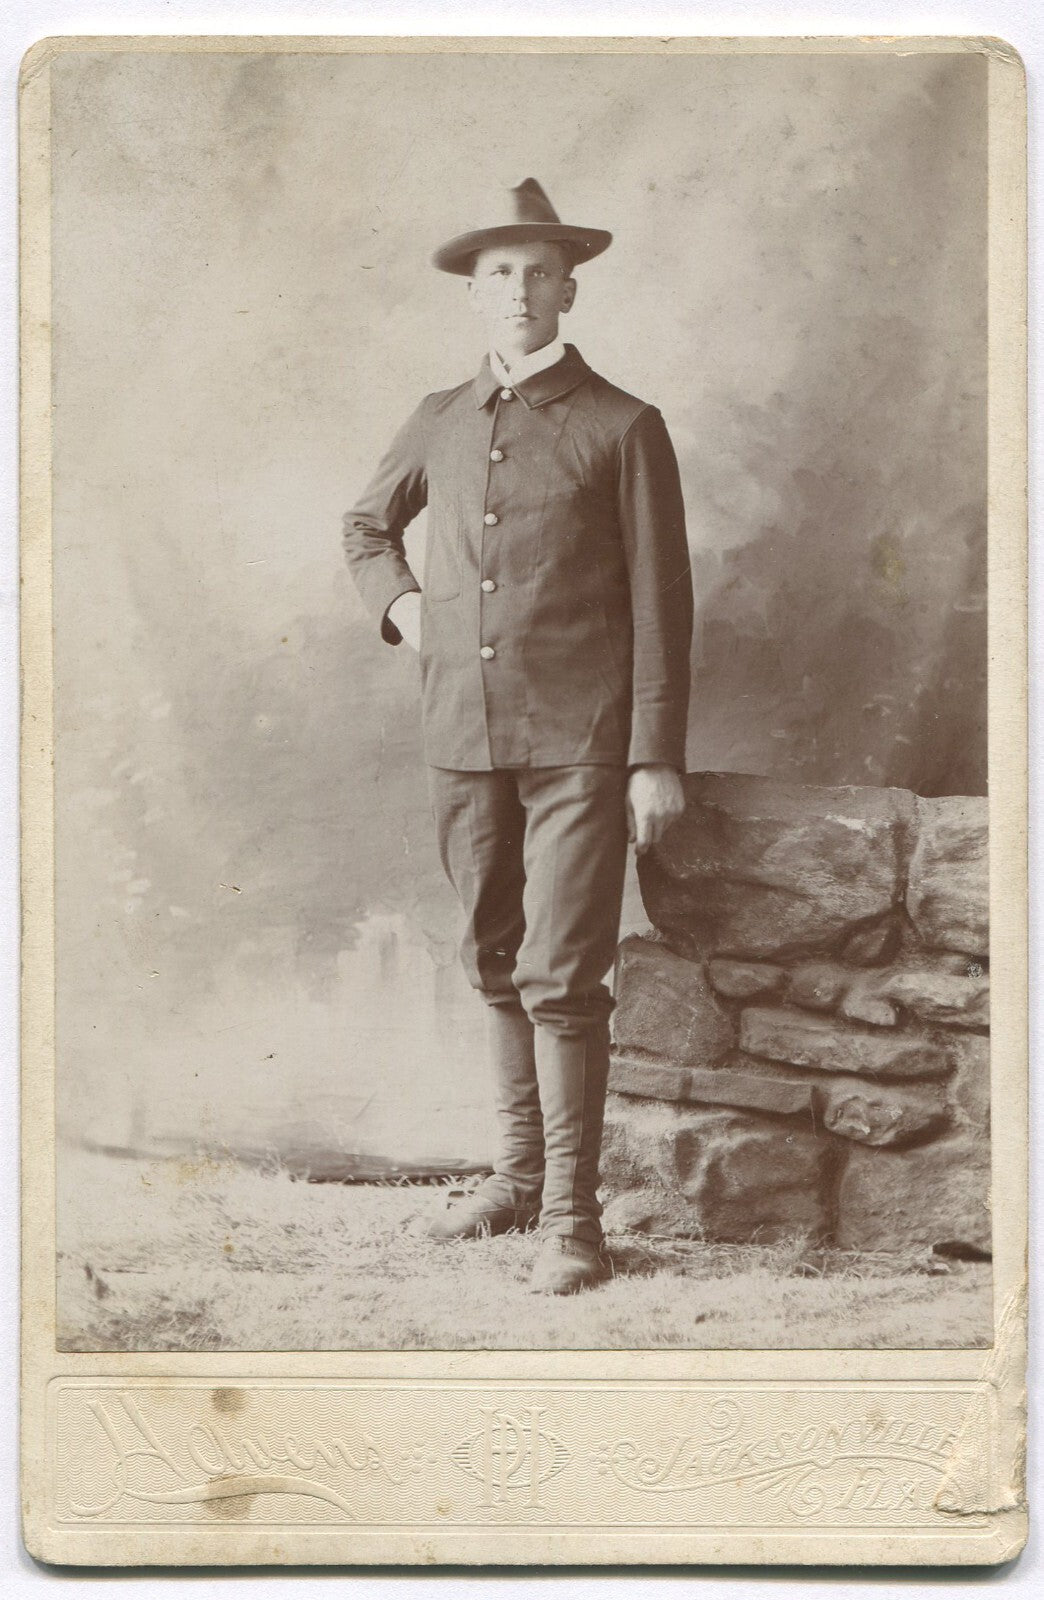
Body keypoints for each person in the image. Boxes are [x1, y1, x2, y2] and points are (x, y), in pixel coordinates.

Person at [342, 179, 693, 1294]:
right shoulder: (442, 415)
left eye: (539, 270)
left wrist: (653, 754)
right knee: (492, 955)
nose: (519, 289)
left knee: (562, 973)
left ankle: (575, 1222)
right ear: (474, 292)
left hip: (581, 744)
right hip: (462, 732)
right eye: (498, 271)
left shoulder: (623, 424)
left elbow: (661, 600)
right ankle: (514, 1177)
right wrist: (405, 610)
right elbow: (365, 525)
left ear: (570, 288)